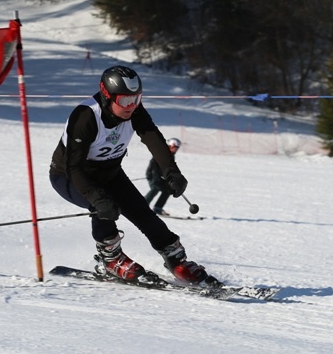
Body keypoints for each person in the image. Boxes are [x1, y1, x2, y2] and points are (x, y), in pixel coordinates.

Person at [49, 65, 220, 287]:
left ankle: (176, 260)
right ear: (107, 96)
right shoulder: (86, 116)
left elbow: (153, 138)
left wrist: (172, 173)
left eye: (136, 98)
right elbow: (73, 167)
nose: (131, 106)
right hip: (71, 176)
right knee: (103, 207)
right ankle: (110, 259)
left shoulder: (135, 110)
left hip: (110, 173)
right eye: (125, 100)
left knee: (143, 214)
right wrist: (96, 197)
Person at [144, 137, 182, 216]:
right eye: (174, 147)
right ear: (170, 146)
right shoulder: (161, 153)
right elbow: (153, 165)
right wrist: (155, 175)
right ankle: (142, 206)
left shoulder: (171, 156)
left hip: (161, 178)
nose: (176, 150)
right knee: (155, 188)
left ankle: (158, 208)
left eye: (177, 148)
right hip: (153, 176)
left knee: (168, 190)